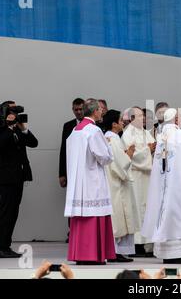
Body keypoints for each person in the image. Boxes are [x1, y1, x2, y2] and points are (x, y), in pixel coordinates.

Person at [142, 108, 181, 264]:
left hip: (164, 184)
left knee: (165, 215)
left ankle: (168, 254)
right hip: (180, 185)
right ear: (176, 120)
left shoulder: (161, 136)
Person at [64, 98, 115, 265]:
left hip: (78, 181)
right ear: (94, 112)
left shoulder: (75, 130)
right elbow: (104, 157)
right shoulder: (93, 130)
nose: (102, 112)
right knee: (94, 214)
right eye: (100, 110)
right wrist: (109, 147)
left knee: (81, 217)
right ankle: (93, 254)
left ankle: (81, 254)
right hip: (92, 180)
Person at [0, 100, 38, 258]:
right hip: (6, 178)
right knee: (5, 212)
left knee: (13, 213)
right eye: (11, 111)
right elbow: (0, 143)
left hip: (19, 177)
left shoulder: (19, 129)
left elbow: (34, 143)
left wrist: (23, 129)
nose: (15, 113)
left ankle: (6, 246)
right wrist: (9, 126)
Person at [103, 109, 138, 262]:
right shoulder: (112, 138)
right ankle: (115, 252)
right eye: (120, 120)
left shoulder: (110, 137)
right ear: (114, 124)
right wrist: (129, 153)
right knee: (117, 217)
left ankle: (117, 251)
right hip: (116, 184)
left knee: (117, 217)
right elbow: (119, 162)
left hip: (113, 182)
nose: (123, 122)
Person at [122, 107, 156, 257]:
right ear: (131, 118)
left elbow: (153, 146)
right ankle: (136, 245)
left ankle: (148, 244)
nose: (143, 119)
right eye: (140, 116)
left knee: (147, 208)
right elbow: (131, 155)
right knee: (136, 208)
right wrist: (148, 150)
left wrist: (153, 149)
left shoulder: (145, 132)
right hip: (135, 176)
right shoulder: (127, 134)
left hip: (147, 177)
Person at [59, 98, 84, 189]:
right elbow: (63, 150)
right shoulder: (68, 126)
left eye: (81, 109)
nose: (78, 112)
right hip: (72, 168)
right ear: (72, 110)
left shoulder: (93, 125)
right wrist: (62, 173)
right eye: (76, 109)